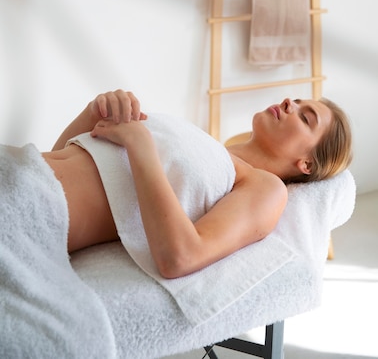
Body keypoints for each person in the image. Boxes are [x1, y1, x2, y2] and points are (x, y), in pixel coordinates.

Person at [42, 89, 352, 279]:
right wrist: (94, 112)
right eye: (296, 101)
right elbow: (64, 158)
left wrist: (140, 145)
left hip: (37, 209)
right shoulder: (210, 148)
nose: (289, 102)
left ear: (307, 164)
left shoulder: (265, 188)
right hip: (25, 168)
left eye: (305, 117)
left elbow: (180, 257)